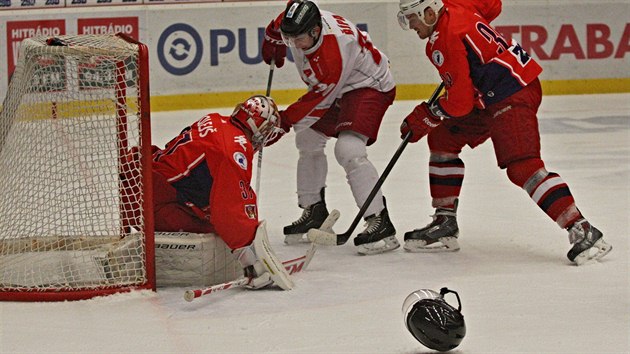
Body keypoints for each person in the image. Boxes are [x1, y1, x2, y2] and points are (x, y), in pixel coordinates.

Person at [395, 0, 612, 265]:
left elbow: (460, 103)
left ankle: (582, 230)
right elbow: (493, 5)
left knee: (522, 166)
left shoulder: (444, 38)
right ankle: (444, 223)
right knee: (443, 139)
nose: (410, 26)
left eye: (411, 19)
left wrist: (429, 115)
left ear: (428, 12)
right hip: (494, 93)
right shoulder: (457, 4)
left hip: (512, 93)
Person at [261, 0, 398, 255]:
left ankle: (379, 221)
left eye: (297, 40)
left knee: (349, 149)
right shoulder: (295, 18)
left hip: (368, 86)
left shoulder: (334, 51)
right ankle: (314, 210)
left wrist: (282, 122)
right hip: (339, 88)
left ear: (315, 31)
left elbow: (318, 100)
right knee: (307, 138)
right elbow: (277, 25)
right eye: (287, 39)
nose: (293, 46)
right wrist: (272, 40)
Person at [121, 95, 293, 289]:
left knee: (214, 209)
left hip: (139, 185)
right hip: (151, 205)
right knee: (218, 227)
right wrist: (253, 260)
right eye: (268, 130)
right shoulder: (234, 150)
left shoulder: (215, 120)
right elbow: (229, 210)